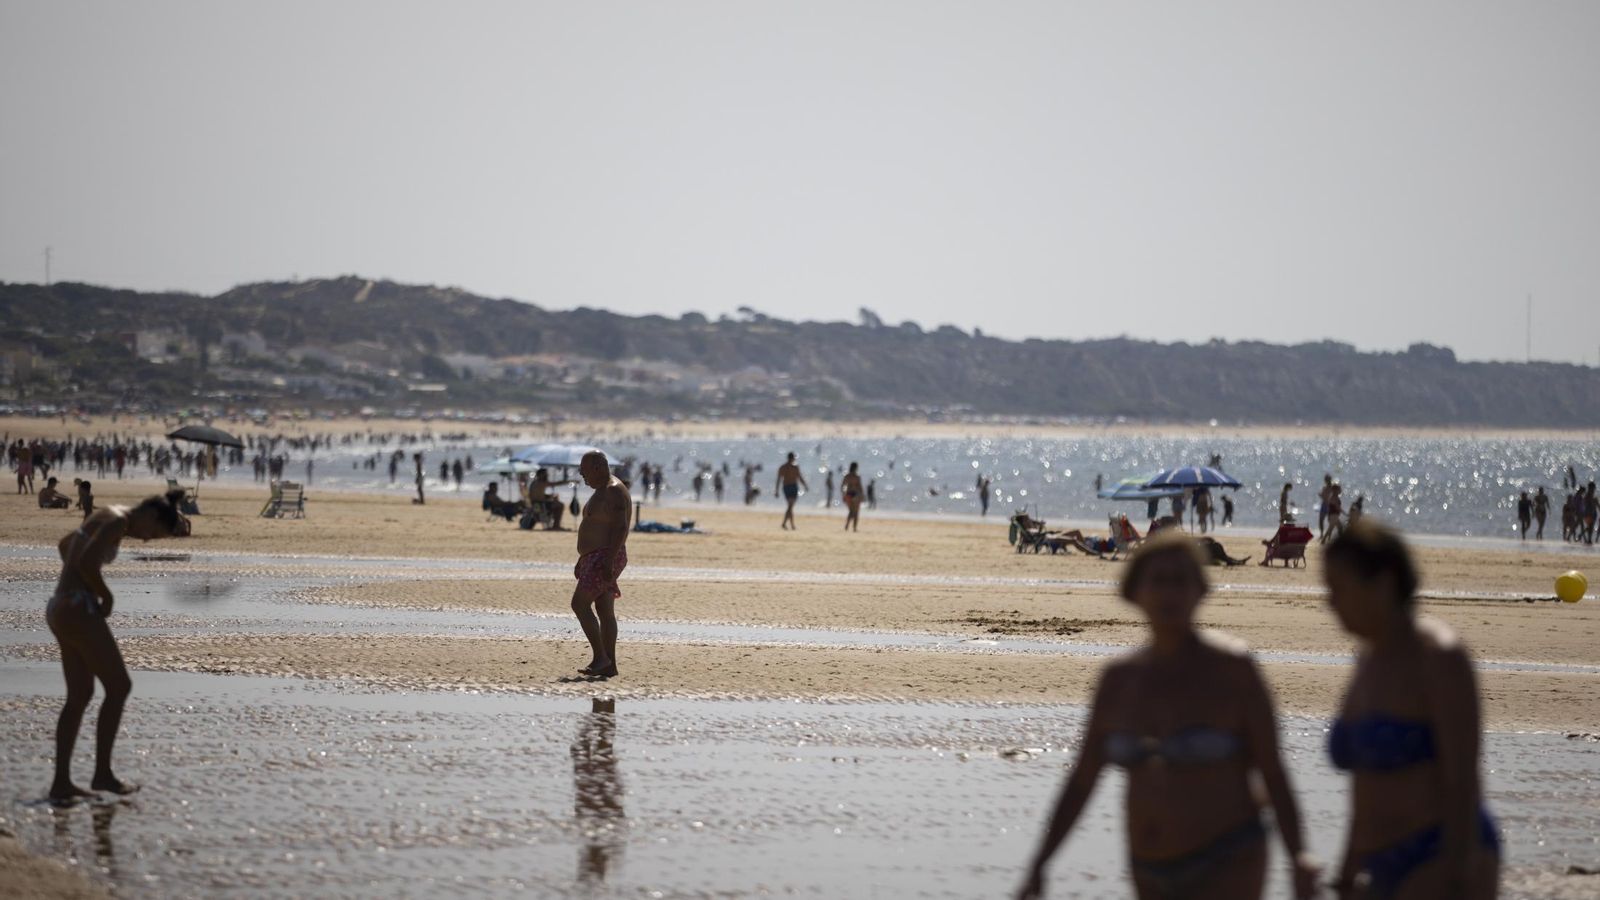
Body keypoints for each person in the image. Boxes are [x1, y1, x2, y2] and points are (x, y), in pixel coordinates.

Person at [1017, 533, 1316, 900]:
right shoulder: (1119, 680)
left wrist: (1299, 855)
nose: (1169, 593)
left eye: (1180, 581)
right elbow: (1082, 780)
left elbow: (1273, 772)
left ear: (1200, 590)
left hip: (1228, 858)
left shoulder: (1233, 670)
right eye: (1158, 581)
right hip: (1147, 867)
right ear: (1135, 591)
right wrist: (1041, 861)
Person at [1322, 522, 1500, 899]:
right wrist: (1348, 867)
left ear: (1383, 583)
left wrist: (1458, 871)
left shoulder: (1440, 658)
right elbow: (1363, 781)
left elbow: (1463, 780)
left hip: (1440, 852)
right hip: (1376, 863)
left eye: (1338, 587)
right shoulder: (1367, 662)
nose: (1329, 601)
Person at [47, 489, 190, 804]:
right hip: (77, 607)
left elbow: (65, 546)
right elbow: (85, 561)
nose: (146, 541)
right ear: (150, 515)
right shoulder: (117, 520)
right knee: (119, 686)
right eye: (153, 534)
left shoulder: (106, 515)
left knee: (80, 695)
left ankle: (62, 783)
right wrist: (104, 595)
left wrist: (75, 579)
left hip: (60, 606)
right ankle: (103, 774)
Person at [571, 451, 631, 679]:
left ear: (597, 467)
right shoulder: (602, 490)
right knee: (604, 610)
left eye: (583, 470)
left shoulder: (613, 490)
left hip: (604, 556)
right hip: (596, 556)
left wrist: (608, 560)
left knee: (579, 604)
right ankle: (609, 665)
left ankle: (600, 657)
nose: (581, 475)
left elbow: (620, 527)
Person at [775, 453, 808, 530]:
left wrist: (805, 485)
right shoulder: (785, 467)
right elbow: (779, 479)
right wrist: (776, 490)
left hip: (792, 487)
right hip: (788, 487)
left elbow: (800, 478)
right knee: (790, 506)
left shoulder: (794, 467)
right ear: (792, 458)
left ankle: (790, 524)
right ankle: (786, 524)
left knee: (790, 506)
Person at [841, 462, 864, 532]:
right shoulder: (857, 477)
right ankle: (854, 528)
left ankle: (847, 525)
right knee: (856, 512)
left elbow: (842, 486)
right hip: (855, 494)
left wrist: (843, 494)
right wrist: (863, 495)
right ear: (856, 468)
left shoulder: (847, 476)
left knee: (851, 511)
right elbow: (860, 487)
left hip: (848, 494)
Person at [1318, 475, 1336, 539]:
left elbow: (1326, 497)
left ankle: (1326, 535)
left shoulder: (1331, 488)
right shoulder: (1326, 487)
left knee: (1328, 521)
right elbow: (1325, 496)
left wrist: (1321, 495)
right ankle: (1323, 534)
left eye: (1326, 479)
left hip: (1327, 505)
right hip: (1326, 505)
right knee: (1322, 520)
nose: (1325, 481)